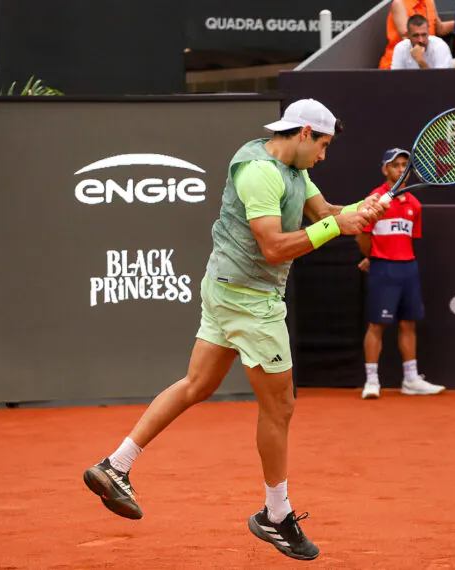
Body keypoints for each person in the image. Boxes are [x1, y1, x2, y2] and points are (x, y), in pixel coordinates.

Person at [82, 98, 388, 562]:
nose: (325, 156)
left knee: (197, 384)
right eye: (323, 145)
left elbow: (323, 210)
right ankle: (276, 515)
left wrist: (358, 211)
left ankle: (115, 464)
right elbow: (273, 247)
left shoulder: (290, 167)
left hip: (225, 289)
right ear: (304, 133)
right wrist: (336, 227)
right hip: (251, 302)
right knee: (280, 405)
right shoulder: (259, 173)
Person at [357, 148, 445, 400]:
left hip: (408, 268)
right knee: (377, 324)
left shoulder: (414, 204)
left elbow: (407, 240)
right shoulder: (374, 199)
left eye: (405, 164)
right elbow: (363, 236)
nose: (401, 169)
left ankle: (411, 379)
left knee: (409, 323)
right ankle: (372, 381)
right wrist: (371, 257)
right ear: (385, 170)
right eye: (395, 165)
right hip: (383, 268)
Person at [379, 0, 455, 70]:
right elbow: (405, 36)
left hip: (428, 58)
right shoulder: (399, 3)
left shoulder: (429, 2)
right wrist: (420, 60)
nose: (420, 39)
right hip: (403, 62)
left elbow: (440, 29)